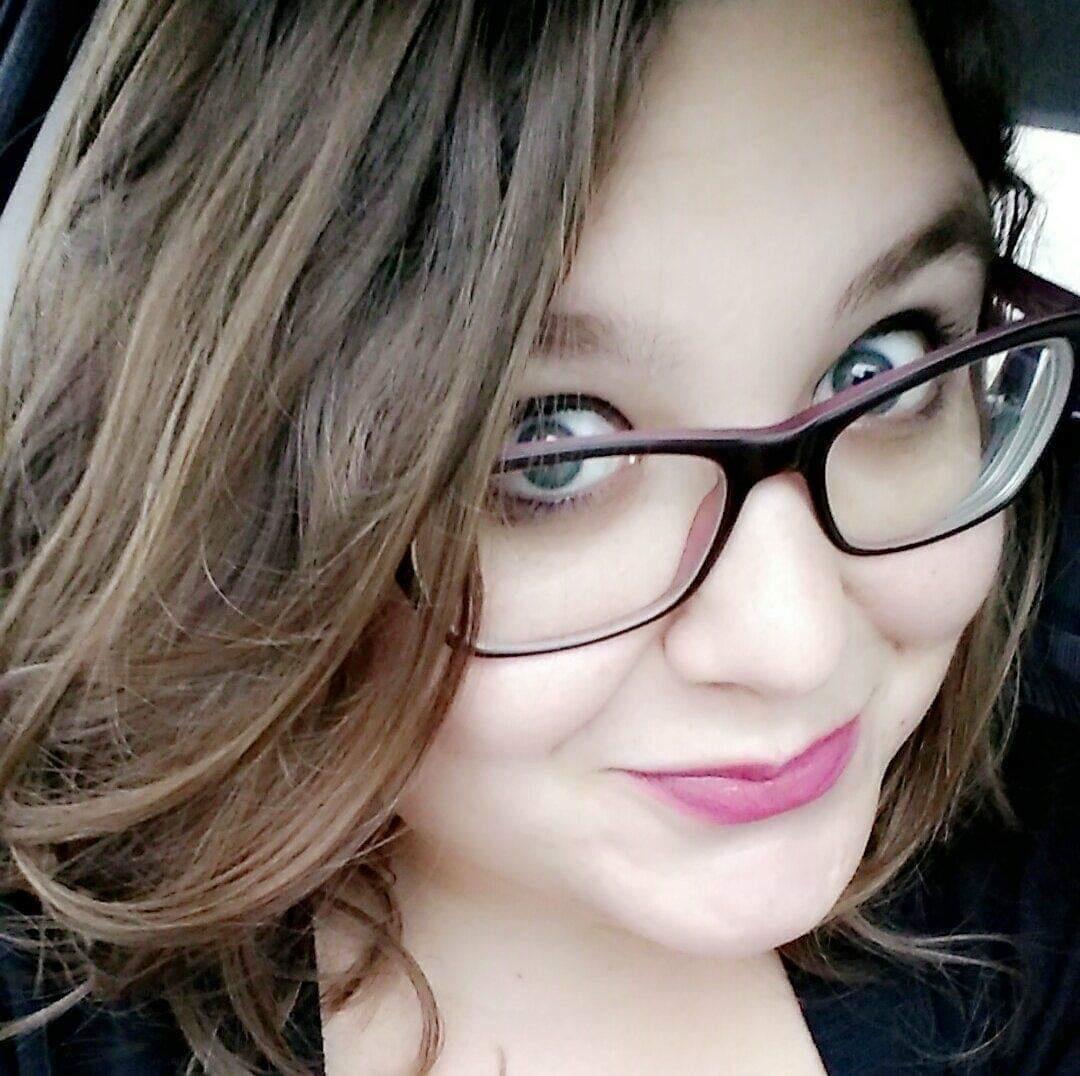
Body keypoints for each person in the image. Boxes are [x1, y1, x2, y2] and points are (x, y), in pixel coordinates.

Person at [0, 0, 1078, 1072]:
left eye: (883, 365)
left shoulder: (1040, 893)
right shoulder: (49, 1009)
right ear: (227, 492)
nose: (794, 644)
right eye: (550, 444)